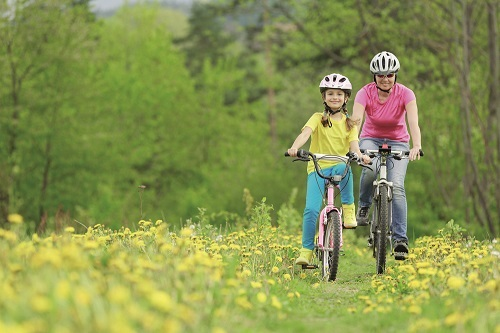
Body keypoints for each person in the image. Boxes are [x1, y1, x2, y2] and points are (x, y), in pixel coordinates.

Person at [287, 73, 371, 265]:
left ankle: (349, 210)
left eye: (339, 94)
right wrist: (295, 148)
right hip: (317, 167)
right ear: (324, 97)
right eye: (330, 93)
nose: (335, 97)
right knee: (310, 210)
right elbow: (305, 134)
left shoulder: (350, 123)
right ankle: (306, 251)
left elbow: (354, 147)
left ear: (346, 98)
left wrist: (361, 156)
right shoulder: (317, 118)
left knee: (346, 167)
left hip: (339, 165)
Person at [351, 51, 422, 260]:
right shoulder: (364, 93)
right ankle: (364, 206)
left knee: (397, 186)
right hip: (370, 138)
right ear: (374, 76)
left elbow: (413, 123)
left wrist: (416, 145)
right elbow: (355, 121)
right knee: (370, 169)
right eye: (381, 75)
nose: (385, 79)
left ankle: (400, 240)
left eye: (389, 75)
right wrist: (355, 147)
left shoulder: (406, 94)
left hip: (398, 141)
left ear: (395, 75)